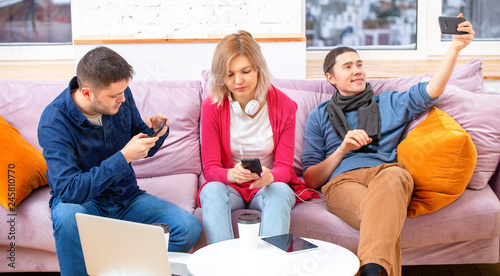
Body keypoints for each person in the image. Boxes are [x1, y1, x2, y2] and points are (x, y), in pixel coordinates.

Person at [301, 15, 474, 276]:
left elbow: (432, 90)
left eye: (359, 64)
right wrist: (342, 149)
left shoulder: (389, 103)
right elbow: (311, 180)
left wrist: (455, 48)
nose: (357, 70)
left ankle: (371, 270)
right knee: (383, 216)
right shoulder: (320, 114)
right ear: (331, 77)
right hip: (342, 182)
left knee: (395, 177)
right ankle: (373, 270)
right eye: (347, 67)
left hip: (387, 174)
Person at [38, 46, 201, 275]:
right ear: (87, 93)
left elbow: (141, 143)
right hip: (86, 203)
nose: (123, 99)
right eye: (115, 95)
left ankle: (127, 269)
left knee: (187, 227)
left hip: (127, 198)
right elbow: (68, 190)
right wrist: (123, 156)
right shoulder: (54, 122)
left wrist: (155, 134)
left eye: (124, 91)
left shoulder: (121, 97)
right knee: (66, 216)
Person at [199, 30, 318, 244]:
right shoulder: (212, 106)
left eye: (245, 71)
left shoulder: (284, 105)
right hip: (231, 187)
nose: (238, 81)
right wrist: (231, 175)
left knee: (279, 190)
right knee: (211, 190)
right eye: (230, 74)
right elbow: (210, 168)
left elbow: (285, 167)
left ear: (258, 69)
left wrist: (271, 176)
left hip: (266, 186)